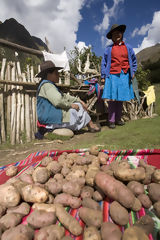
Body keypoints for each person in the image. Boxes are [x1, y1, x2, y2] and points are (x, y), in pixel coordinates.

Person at [35, 60, 100, 139]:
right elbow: (58, 101)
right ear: (49, 74)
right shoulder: (47, 85)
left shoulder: (49, 85)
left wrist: (78, 100)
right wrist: (71, 105)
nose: (58, 75)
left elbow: (64, 96)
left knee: (78, 105)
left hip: (52, 116)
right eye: (56, 73)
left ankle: (89, 124)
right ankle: (90, 125)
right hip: (51, 119)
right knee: (76, 109)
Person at [101, 24, 137, 129]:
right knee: (112, 98)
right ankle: (111, 120)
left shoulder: (128, 47)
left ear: (121, 34)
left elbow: (134, 60)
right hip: (112, 74)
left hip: (124, 74)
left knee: (120, 98)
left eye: (119, 32)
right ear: (111, 36)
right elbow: (103, 63)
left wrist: (133, 71)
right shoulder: (108, 49)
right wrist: (103, 76)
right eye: (114, 33)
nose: (117, 34)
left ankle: (118, 119)